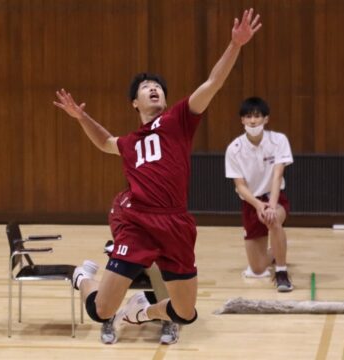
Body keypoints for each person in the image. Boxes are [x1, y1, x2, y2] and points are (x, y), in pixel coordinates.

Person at [53, 9, 261, 340]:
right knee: (101, 310)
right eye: (146, 87)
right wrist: (82, 117)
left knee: (185, 313)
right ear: (134, 102)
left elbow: (213, 82)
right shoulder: (131, 141)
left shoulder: (179, 119)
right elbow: (106, 142)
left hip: (175, 221)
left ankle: (142, 311)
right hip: (137, 219)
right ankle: (83, 277)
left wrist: (235, 45)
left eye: (158, 88)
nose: (154, 90)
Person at [224, 97, 293, 292]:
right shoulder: (234, 149)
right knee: (258, 268)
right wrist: (258, 205)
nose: (253, 121)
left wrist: (270, 205)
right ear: (242, 121)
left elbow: (278, 174)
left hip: (274, 198)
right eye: (248, 117)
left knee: (273, 220)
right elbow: (240, 185)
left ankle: (281, 273)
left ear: (266, 119)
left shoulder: (279, 140)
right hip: (251, 202)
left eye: (257, 116)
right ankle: (277, 252)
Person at [100, 189, 179, 344]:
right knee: (116, 268)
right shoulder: (121, 200)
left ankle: (168, 321)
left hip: (152, 253)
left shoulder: (161, 200)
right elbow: (118, 231)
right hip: (129, 250)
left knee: (157, 267)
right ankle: (107, 319)